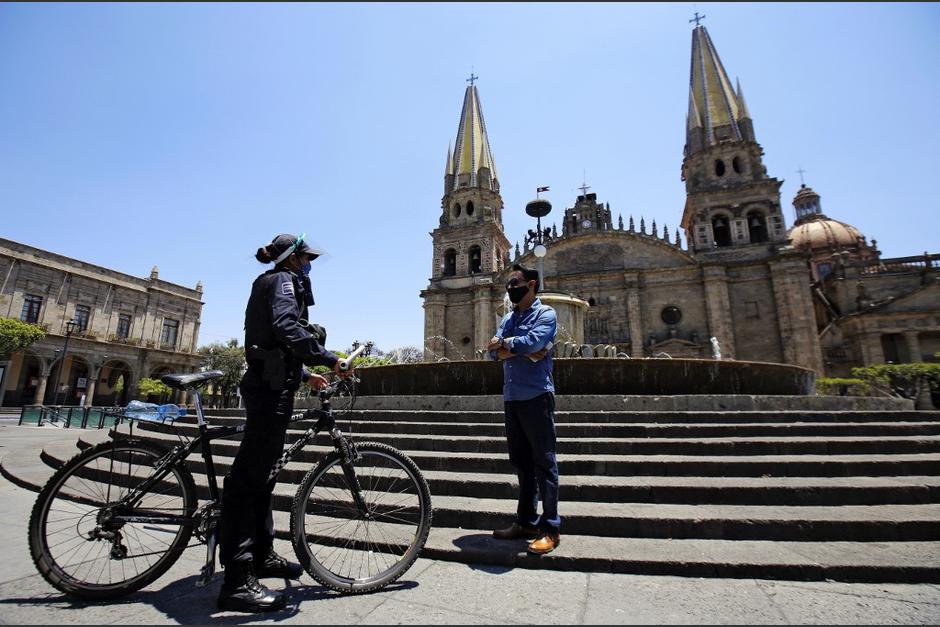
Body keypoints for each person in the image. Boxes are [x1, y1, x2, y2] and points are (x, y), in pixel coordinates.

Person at [217, 233, 352, 613]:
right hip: (268, 388)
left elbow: (274, 340)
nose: (310, 264)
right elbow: (286, 328)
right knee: (248, 482)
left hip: (274, 382)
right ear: (293, 259)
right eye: (306, 258)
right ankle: (237, 579)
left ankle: (262, 555)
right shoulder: (283, 282)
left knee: (264, 476)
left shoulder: (273, 280)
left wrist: (306, 372)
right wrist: (329, 358)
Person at [486, 263, 560, 555]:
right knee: (521, 463)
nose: (509, 287)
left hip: (537, 396)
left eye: (514, 282)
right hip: (512, 397)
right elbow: (492, 353)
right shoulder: (509, 317)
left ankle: (550, 528)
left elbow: (535, 341)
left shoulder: (546, 314)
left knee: (544, 463)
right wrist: (517, 348)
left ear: (531, 284)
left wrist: (508, 345)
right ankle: (526, 521)